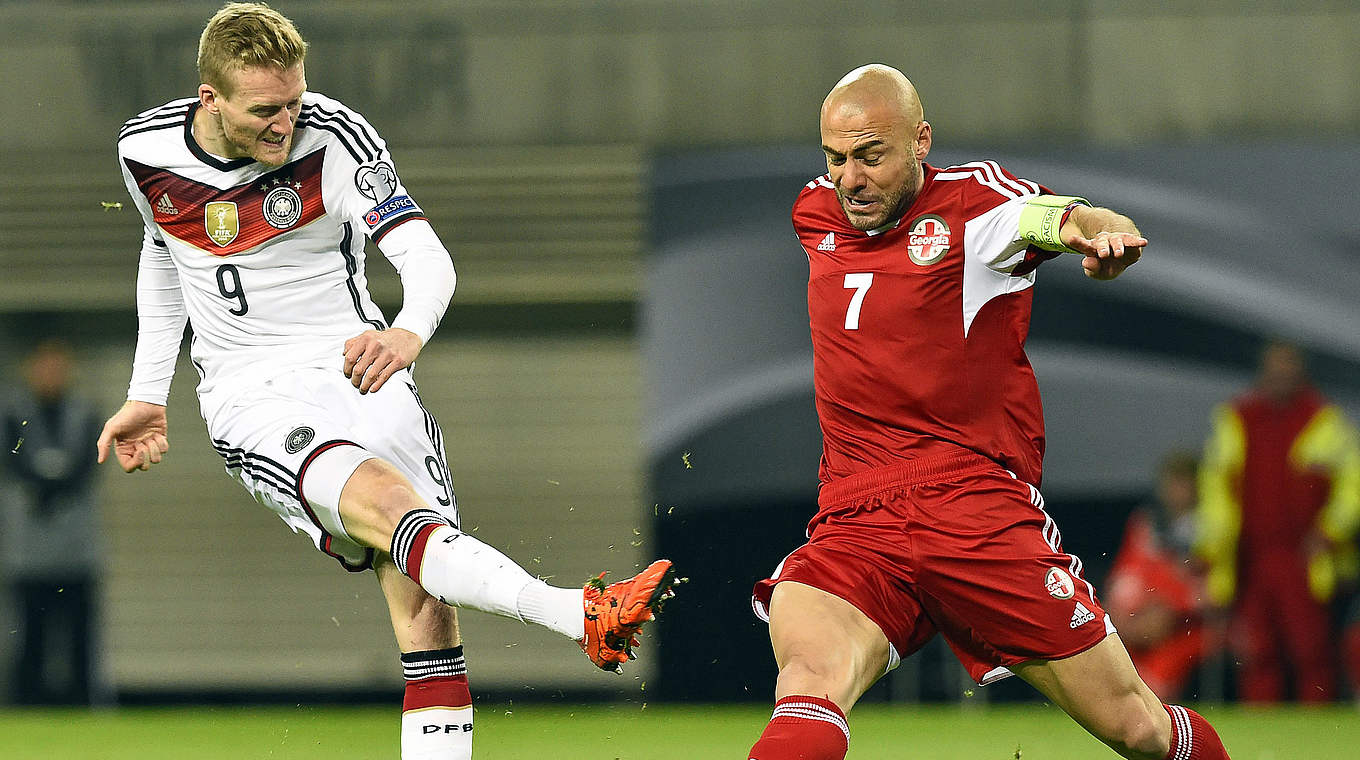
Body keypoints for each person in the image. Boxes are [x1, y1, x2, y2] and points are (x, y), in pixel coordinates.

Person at [95, 4, 675, 757]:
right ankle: (579, 614)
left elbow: (429, 259)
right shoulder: (143, 149)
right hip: (254, 395)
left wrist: (408, 331)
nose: (284, 124)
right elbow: (162, 249)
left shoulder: (336, 139)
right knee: (393, 509)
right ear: (211, 101)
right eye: (265, 110)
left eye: (294, 102)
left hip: (362, 368)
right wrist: (149, 391)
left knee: (428, 607)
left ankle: (571, 624)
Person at [746, 64, 1230, 760]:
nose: (849, 179)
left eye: (870, 155)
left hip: (970, 507)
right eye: (835, 158)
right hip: (856, 516)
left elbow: (1053, 217)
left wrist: (1102, 229)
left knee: (1139, 728)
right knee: (808, 680)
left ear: (920, 141)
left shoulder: (971, 208)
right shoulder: (815, 213)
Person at [1197, 339, 1360, 703]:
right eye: (1275, 367)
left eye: (1288, 367)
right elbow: (1215, 487)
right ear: (1263, 371)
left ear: (1301, 372)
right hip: (1251, 556)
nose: (1281, 375)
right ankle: (1260, 730)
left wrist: (1330, 531)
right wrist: (1213, 545)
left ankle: (1318, 728)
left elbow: (1353, 484)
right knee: (1256, 651)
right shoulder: (1237, 418)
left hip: (1303, 555)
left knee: (1311, 650)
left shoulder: (1323, 419)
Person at [1, 339, 105, 705]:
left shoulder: (85, 412)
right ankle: (25, 708)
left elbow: (89, 463)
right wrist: (46, 484)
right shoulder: (12, 412)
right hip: (28, 554)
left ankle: (82, 707)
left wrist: (55, 485)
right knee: (29, 637)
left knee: (79, 638)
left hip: (77, 551)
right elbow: (12, 462)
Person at [1104, 451, 1213, 702]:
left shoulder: (1211, 528)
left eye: (1182, 483)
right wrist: (1120, 614)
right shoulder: (1146, 523)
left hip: (1186, 626)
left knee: (1149, 686)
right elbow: (1126, 571)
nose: (1175, 491)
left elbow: (1213, 588)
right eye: (1171, 483)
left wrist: (1170, 610)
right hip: (1138, 620)